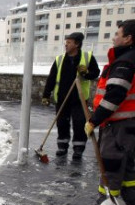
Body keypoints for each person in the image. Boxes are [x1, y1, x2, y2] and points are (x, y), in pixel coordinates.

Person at [77, 19, 135, 205]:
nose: (114, 37)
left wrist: (94, 120)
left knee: (110, 164)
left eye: (118, 34)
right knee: (125, 164)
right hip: (133, 122)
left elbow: (115, 96)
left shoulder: (126, 62)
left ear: (129, 38)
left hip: (119, 124)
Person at [41, 32, 100, 160]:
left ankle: (78, 149)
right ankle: (62, 147)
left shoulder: (87, 57)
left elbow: (95, 73)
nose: (66, 45)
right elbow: (51, 78)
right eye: (66, 42)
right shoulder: (60, 59)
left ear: (77, 44)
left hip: (79, 99)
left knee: (79, 124)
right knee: (62, 123)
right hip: (61, 98)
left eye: (69, 42)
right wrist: (46, 95)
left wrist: (86, 73)